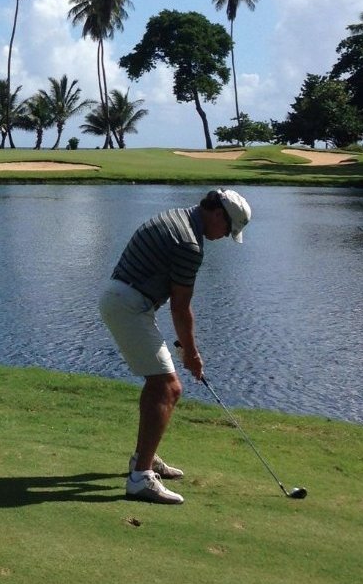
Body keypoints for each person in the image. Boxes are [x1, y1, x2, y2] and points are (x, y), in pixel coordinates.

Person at [98, 188, 252, 504]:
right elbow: (180, 307)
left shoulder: (179, 217)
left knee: (160, 383)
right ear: (219, 214)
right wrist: (192, 354)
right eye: (228, 229)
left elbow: (174, 302)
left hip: (127, 299)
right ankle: (140, 478)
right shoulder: (189, 244)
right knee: (168, 387)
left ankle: (145, 458)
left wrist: (184, 347)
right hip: (129, 304)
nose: (225, 237)